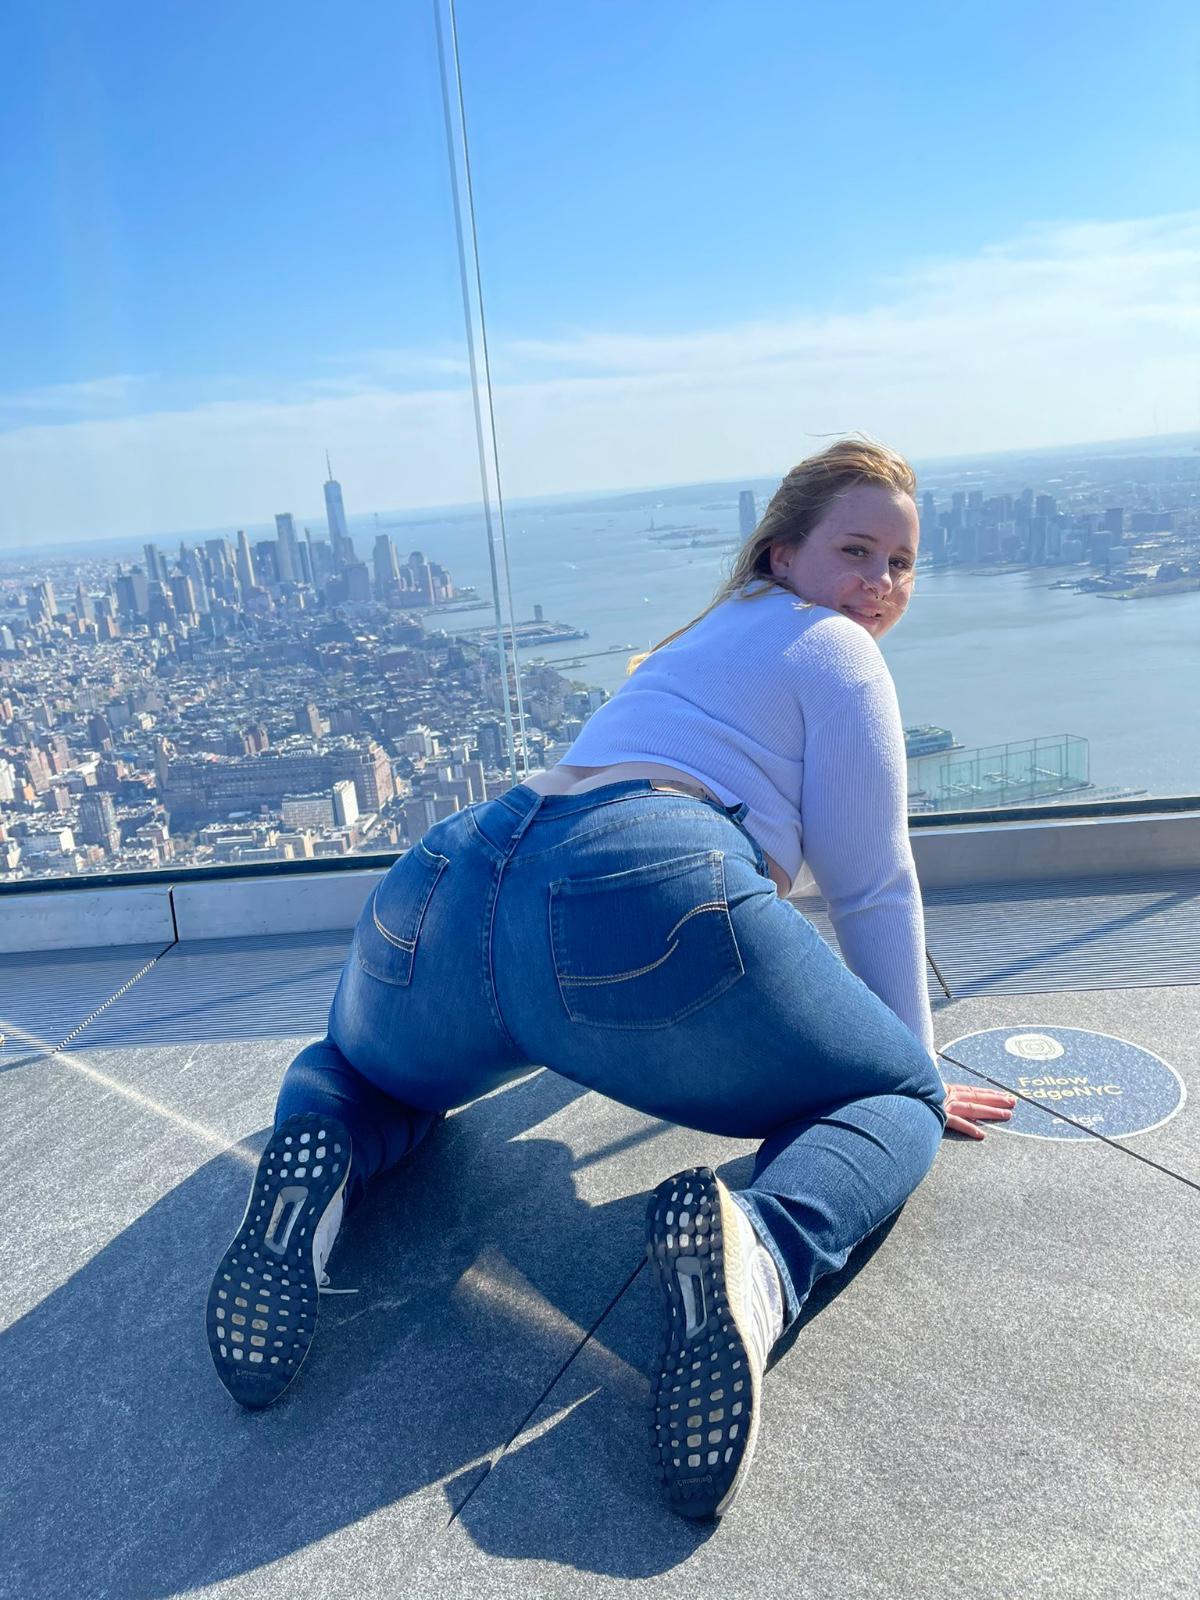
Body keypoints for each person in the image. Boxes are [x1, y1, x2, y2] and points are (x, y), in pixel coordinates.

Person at [205, 434, 1015, 1522]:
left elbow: (556, 884)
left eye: (902, 564)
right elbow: (872, 887)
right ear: (782, 555)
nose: (881, 584)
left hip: (450, 877)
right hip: (643, 888)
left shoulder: (691, 644)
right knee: (895, 1099)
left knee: (358, 1071)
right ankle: (760, 1254)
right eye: (856, 551)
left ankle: (323, 1156)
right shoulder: (835, 649)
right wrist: (912, 1066)